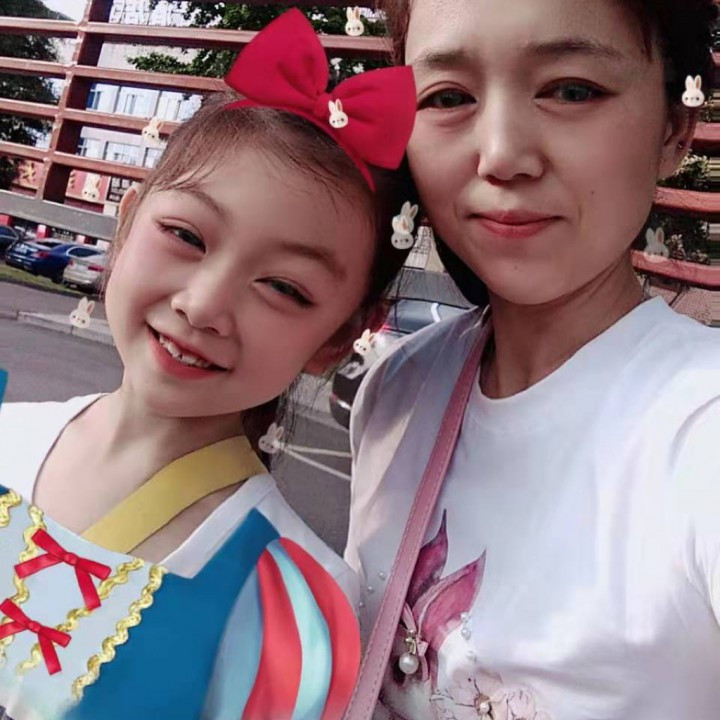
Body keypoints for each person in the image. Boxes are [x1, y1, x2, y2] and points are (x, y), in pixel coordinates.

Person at [0, 9, 417, 720]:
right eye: (186, 236)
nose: (203, 305)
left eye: (283, 287)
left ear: (341, 337)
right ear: (127, 223)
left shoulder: (292, 607)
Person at [344, 0, 720, 718]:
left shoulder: (700, 426)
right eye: (447, 98)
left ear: (675, 128)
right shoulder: (397, 387)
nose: (502, 154)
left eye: (572, 90)